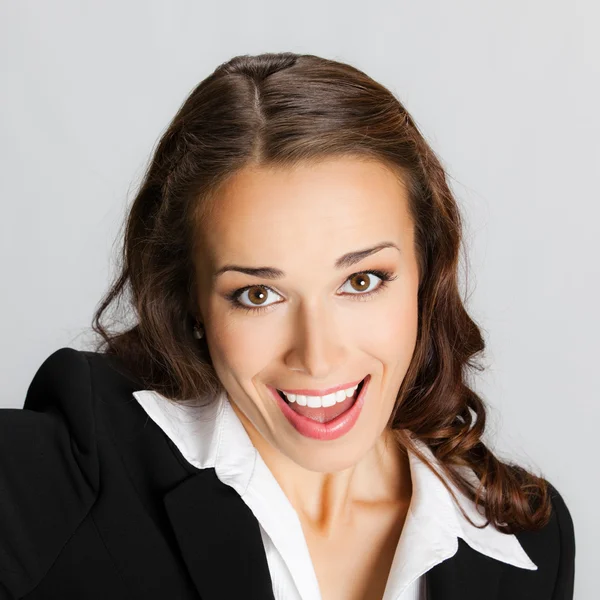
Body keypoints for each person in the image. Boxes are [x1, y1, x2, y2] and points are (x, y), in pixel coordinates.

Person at [0, 52, 575, 600]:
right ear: (191, 301)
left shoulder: (524, 541)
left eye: (363, 281)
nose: (318, 356)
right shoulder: (75, 465)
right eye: (258, 294)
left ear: (427, 271)